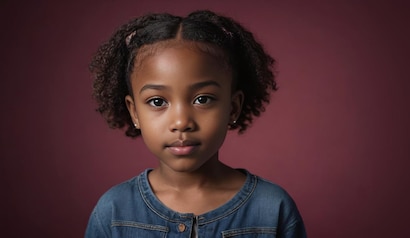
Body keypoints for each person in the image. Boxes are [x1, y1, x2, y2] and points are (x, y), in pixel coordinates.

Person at [85, 10, 306, 238]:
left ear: (233, 107)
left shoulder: (272, 209)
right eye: (158, 101)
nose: (181, 122)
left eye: (202, 99)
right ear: (134, 112)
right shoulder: (113, 212)